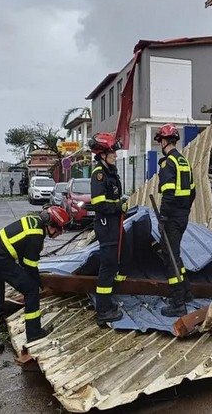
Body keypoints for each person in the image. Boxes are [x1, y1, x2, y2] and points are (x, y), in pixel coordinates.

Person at [0, 206, 69, 357]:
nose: (59, 233)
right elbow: (30, 266)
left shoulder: (32, 222)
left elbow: (23, 257)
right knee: (31, 291)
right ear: (51, 225)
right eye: (59, 230)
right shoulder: (36, 234)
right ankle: (34, 333)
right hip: (1, 260)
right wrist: (39, 284)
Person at [154, 123, 196, 317]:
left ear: (163, 141)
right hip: (182, 216)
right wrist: (184, 210)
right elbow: (193, 191)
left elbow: (168, 193)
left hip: (171, 217)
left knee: (170, 257)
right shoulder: (184, 162)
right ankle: (186, 292)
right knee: (175, 254)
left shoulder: (167, 163)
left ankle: (178, 302)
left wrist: (163, 217)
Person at [88, 132, 125, 325]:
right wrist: (119, 207)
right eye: (113, 153)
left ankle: (107, 302)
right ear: (102, 154)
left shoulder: (109, 171)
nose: (116, 155)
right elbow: (99, 204)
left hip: (112, 225)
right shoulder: (99, 174)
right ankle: (103, 310)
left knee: (112, 265)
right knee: (107, 265)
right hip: (106, 225)